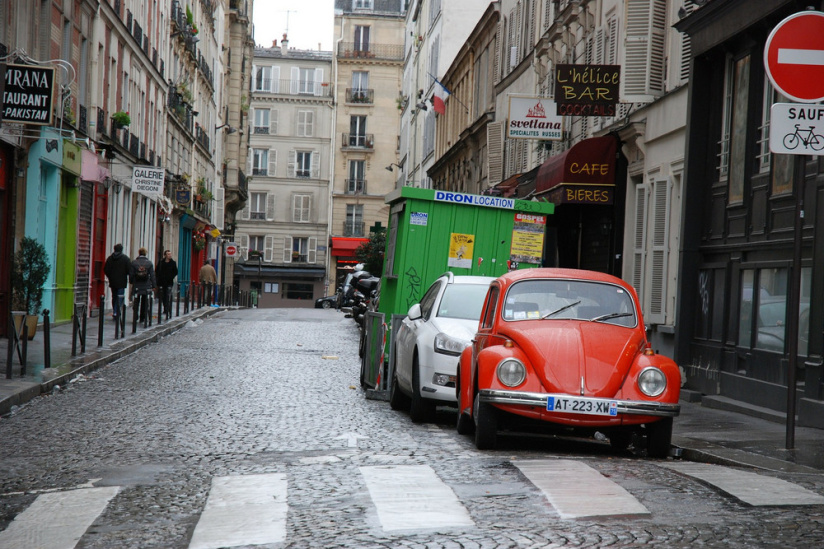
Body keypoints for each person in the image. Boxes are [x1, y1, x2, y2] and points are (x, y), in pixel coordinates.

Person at [104, 244, 131, 321]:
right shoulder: (125, 259)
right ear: (121, 249)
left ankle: (115, 311)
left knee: (114, 296)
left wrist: (110, 276)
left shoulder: (110, 258)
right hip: (122, 281)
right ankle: (116, 311)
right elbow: (129, 270)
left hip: (113, 281)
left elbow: (106, 269)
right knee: (120, 296)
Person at [130, 247, 157, 323]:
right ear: (145, 253)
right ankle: (143, 317)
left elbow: (131, 274)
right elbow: (152, 275)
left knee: (136, 301)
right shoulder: (149, 263)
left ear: (139, 253)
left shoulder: (134, 262)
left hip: (137, 284)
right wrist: (154, 285)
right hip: (146, 285)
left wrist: (132, 282)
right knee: (144, 302)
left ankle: (135, 316)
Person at [156, 249, 178, 318]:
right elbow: (157, 270)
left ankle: (168, 308)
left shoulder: (173, 263)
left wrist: (171, 276)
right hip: (162, 282)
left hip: (169, 282)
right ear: (165, 255)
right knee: (163, 296)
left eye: (170, 254)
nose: (170, 255)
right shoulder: (161, 262)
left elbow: (176, 271)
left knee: (168, 295)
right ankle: (165, 307)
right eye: (168, 254)